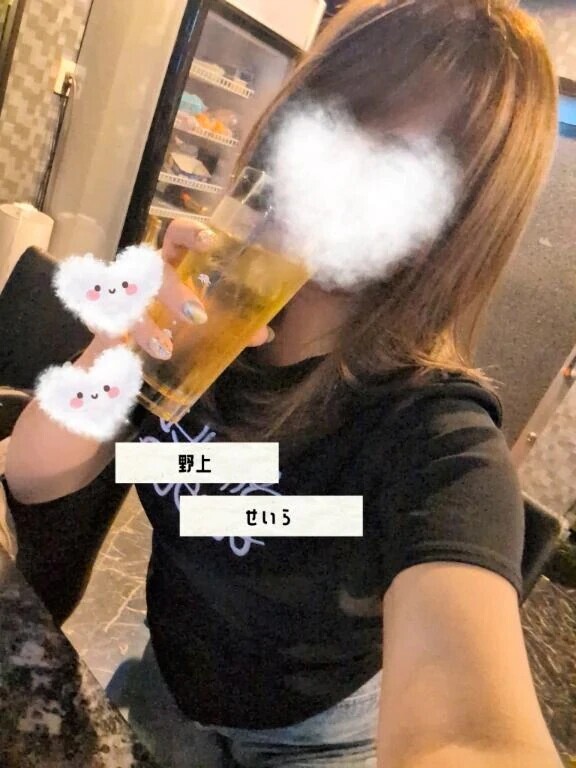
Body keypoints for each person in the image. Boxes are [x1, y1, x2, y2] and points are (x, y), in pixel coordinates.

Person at [3, 1, 565, 766]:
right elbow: (35, 475)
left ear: (455, 223)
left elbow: (468, 737)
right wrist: (119, 341)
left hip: (318, 736)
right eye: (334, 117)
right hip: (171, 679)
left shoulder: (434, 432)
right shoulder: (206, 314)